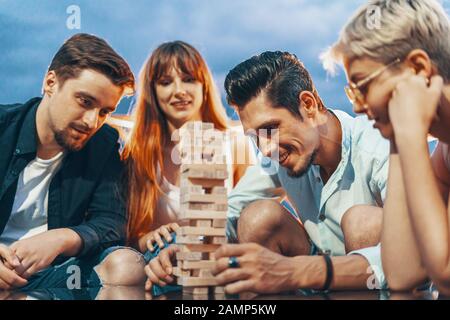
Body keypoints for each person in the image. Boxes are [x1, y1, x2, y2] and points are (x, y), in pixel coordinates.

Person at [147, 50, 391, 294]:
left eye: (270, 129)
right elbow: (232, 209)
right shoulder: (281, 155)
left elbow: (415, 250)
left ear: (308, 105)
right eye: (255, 137)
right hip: (311, 277)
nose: (265, 149)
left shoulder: (379, 145)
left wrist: (296, 271)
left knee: (362, 222)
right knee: (257, 217)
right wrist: (190, 247)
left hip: (375, 281)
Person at [0, 33, 146, 291]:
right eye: (85, 101)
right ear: (50, 82)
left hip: (58, 274)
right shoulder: (3, 127)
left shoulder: (104, 144)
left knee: (128, 265)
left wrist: (63, 238)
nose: (91, 122)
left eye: (104, 112)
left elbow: (112, 222)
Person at [323, 0, 450, 294]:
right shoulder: (444, 151)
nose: (356, 107)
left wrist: (409, 135)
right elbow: (403, 273)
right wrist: (398, 141)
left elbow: (445, 272)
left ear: (418, 68)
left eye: (362, 86)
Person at [121, 41, 252, 293]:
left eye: (189, 79)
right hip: (164, 261)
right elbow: (131, 234)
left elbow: (249, 213)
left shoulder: (234, 142)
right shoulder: (137, 153)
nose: (179, 91)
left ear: (204, 85)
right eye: (166, 82)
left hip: (222, 252)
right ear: (152, 91)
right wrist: (146, 238)